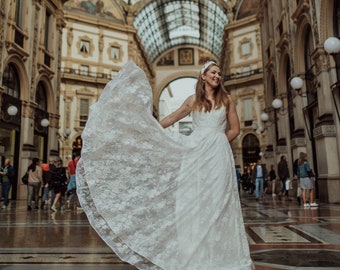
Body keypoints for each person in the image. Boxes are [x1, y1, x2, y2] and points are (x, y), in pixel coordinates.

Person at [76, 61, 254, 269]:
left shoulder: (227, 100)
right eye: (213, 72)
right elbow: (171, 117)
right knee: (192, 199)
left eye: (219, 73)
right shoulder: (192, 101)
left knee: (221, 200)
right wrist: (150, 130)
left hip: (218, 155)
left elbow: (235, 129)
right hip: (194, 154)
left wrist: (218, 143)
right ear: (203, 76)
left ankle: (223, 253)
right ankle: (196, 251)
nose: (218, 76)